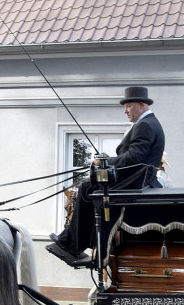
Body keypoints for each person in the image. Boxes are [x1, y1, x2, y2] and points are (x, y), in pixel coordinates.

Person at [49, 86, 165, 263]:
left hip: (134, 180)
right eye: (124, 106)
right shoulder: (148, 123)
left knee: (86, 186)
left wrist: (105, 162)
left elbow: (134, 157)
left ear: (141, 105)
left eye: (128, 106)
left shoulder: (146, 125)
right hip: (137, 178)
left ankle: (72, 244)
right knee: (88, 185)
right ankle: (77, 241)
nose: (125, 110)